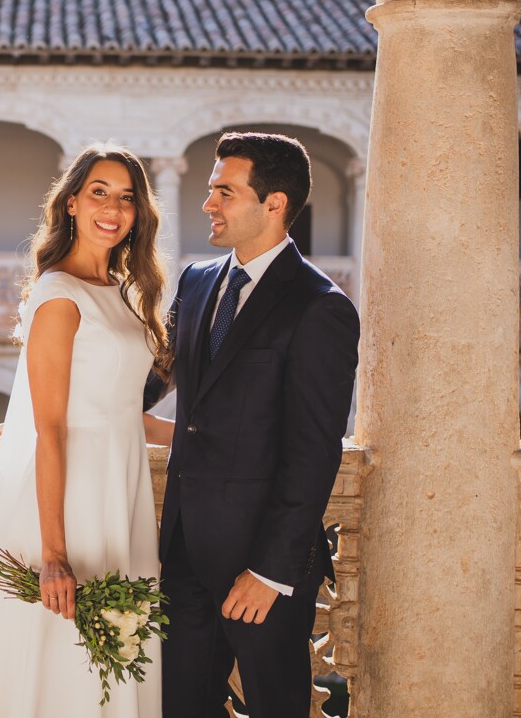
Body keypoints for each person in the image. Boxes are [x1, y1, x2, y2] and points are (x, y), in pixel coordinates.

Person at [0, 144, 173, 718]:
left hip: (122, 493)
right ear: (70, 204)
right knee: (62, 657)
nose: (113, 209)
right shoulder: (59, 295)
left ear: (139, 214)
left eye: (127, 198)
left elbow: (114, 409)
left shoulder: (123, 293)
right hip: (71, 504)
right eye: (99, 193)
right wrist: (54, 554)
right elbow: (53, 427)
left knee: (110, 657)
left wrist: (197, 438)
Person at [144, 131, 359, 718]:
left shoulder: (321, 307)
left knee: (274, 707)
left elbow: (313, 453)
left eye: (224, 192)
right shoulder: (194, 282)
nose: (208, 203)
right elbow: (148, 380)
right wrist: (49, 417)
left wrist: (269, 570)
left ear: (275, 203)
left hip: (263, 564)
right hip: (184, 550)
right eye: (212, 190)